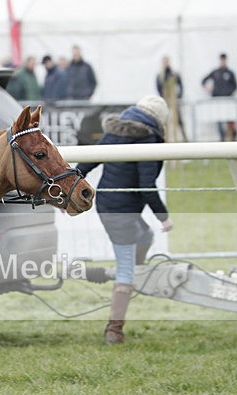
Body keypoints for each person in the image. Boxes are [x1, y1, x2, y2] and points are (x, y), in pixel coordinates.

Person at [75, 95, 173, 344]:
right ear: (159, 120)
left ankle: (133, 276)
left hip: (109, 205)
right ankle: (114, 330)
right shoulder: (149, 138)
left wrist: (75, 175)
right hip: (122, 212)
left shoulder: (116, 130)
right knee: (126, 267)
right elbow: (147, 186)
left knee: (146, 236)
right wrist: (164, 218)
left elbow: (91, 159)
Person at [201, 53, 237, 141]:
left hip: (227, 100)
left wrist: (228, 93)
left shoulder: (230, 73)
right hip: (217, 101)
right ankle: (222, 139)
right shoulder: (215, 72)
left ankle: (232, 138)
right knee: (219, 122)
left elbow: (235, 86)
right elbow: (203, 81)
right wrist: (209, 89)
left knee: (230, 120)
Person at [155, 55, 186, 141]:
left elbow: (180, 85)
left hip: (174, 100)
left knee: (178, 120)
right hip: (166, 100)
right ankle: (166, 138)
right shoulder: (160, 75)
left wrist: (179, 96)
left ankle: (183, 138)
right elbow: (158, 87)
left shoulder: (174, 73)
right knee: (166, 120)